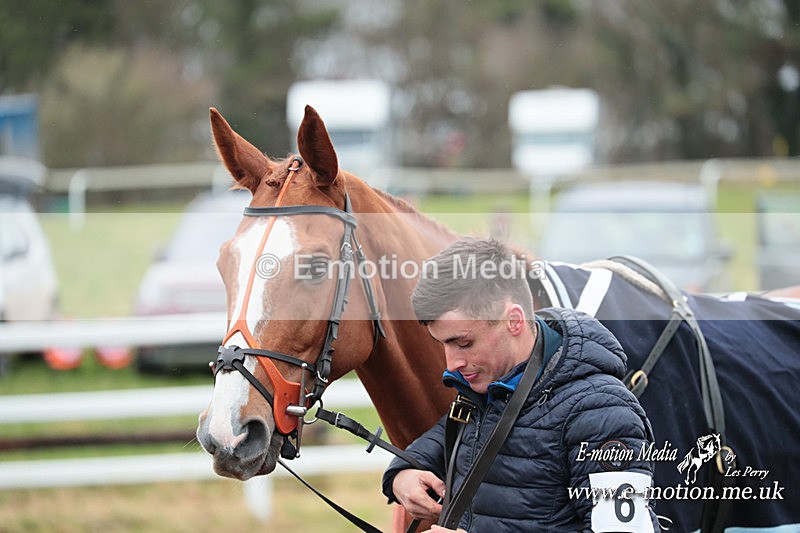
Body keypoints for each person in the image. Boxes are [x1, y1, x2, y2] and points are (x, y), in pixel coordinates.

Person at [382, 237, 660, 532]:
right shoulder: (491, 385)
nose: (452, 364)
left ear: (514, 320)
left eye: (463, 343)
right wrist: (402, 473)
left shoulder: (604, 415)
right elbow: (449, 435)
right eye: (443, 344)